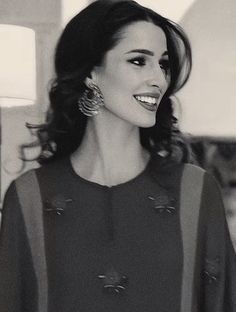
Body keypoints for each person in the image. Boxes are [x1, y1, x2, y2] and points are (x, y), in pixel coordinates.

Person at [0, 1, 236, 311]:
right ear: (91, 73)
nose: (159, 79)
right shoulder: (29, 197)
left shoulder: (195, 191)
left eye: (163, 64)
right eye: (139, 61)